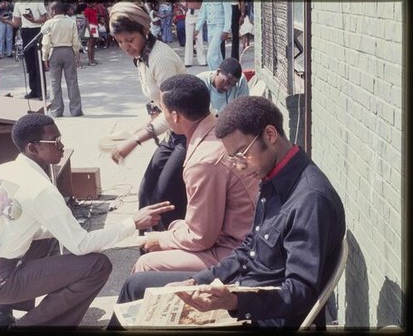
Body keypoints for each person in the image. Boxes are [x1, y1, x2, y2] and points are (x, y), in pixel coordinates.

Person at [108, 95, 346, 329]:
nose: (240, 167)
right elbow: (247, 250)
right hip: (242, 292)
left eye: (241, 154)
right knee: (137, 286)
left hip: (263, 316)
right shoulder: (272, 176)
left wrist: (235, 302)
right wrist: (197, 281)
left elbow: (300, 292)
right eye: (233, 158)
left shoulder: (310, 201)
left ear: (270, 135)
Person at [0, 112, 175, 329]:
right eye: (55, 141)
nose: (61, 146)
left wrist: (67, 229)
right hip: (0, 282)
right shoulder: (40, 189)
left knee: (51, 236)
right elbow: (81, 245)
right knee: (97, 265)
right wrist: (132, 223)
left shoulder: (3, 169)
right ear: (33, 148)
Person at [132, 74, 257, 273]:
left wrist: (161, 239)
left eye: (162, 111)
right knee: (172, 228)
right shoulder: (217, 129)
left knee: (145, 265)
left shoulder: (203, 161)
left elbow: (201, 237)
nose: (160, 116)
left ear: (175, 116)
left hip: (240, 251)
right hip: (235, 236)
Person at [108, 1, 188, 234]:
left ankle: (173, 245)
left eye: (130, 39)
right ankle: (146, 246)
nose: (125, 46)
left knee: (165, 197)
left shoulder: (159, 59)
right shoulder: (142, 56)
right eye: (120, 41)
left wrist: (134, 140)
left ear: (144, 30)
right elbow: (161, 108)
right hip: (174, 132)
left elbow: (173, 113)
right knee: (146, 191)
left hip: (189, 131)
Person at [41, 0, 84, 118]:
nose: (49, 12)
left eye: (50, 10)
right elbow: (76, 41)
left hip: (55, 52)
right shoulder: (71, 22)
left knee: (55, 82)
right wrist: (77, 55)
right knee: (72, 81)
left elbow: (46, 42)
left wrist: (45, 57)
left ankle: (56, 110)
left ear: (54, 11)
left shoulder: (49, 23)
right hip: (68, 51)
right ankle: (76, 110)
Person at [6, 0, 48, 100]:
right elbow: (16, 23)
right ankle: (33, 90)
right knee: (30, 63)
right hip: (25, 31)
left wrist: (34, 20)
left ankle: (41, 91)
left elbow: (45, 17)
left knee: (38, 62)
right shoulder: (18, 3)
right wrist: (6, 21)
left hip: (37, 31)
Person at [194, 0, 232, 71]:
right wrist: (197, 29)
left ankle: (214, 75)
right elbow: (202, 14)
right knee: (217, 55)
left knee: (210, 56)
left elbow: (228, 13)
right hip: (210, 27)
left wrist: (226, 30)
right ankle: (223, 72)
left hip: (220, 27)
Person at [183, 0, 206, 68]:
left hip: (199, 12)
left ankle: (202, 61)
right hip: (190, 12)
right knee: (189, 38)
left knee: (199, 38)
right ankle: (187, 61)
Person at [84, 0, 99, 66]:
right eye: (93, 2)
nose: (94, 3)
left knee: (93, 44)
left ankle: (93, 59)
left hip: (94, 26)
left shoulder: (93, 9)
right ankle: (90, 60)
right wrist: (89, 30)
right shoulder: (87, 10)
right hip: (91, 26)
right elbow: (86, 20)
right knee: (90, 44)